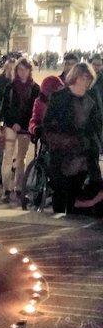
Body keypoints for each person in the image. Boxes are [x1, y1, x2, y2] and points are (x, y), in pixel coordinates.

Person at [43, 62, 102, 214]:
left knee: (74, 191)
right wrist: (56, 137)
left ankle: (69, 218)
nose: (85, 81)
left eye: (88, 78)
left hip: (82, 152)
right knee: (60, 189)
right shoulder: (59, 97)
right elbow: (48, 122)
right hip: (61, 150)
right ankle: (58, 218)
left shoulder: (91, 100)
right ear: (75, 77)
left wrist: (94, 145)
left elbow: (95, 126)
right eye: (82, 77)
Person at [0, 56, 40, 203]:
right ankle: (6, 189)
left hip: (25, 128)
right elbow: (4, 108)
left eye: (25, 69)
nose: (22, 73)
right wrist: (12, 122)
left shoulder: (35, 88)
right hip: (11, 126)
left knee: (21, 158)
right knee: (8, 157)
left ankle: (19, 188)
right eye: (20, 70)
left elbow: (35, 110)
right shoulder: (10, 87)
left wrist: (23, 124)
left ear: (30, 71)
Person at [28, 75, 65, 140]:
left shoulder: (66, 101)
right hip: (47, 139)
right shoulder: (40, 102)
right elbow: (35, 120)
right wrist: (35, 129)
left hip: (63, 139)